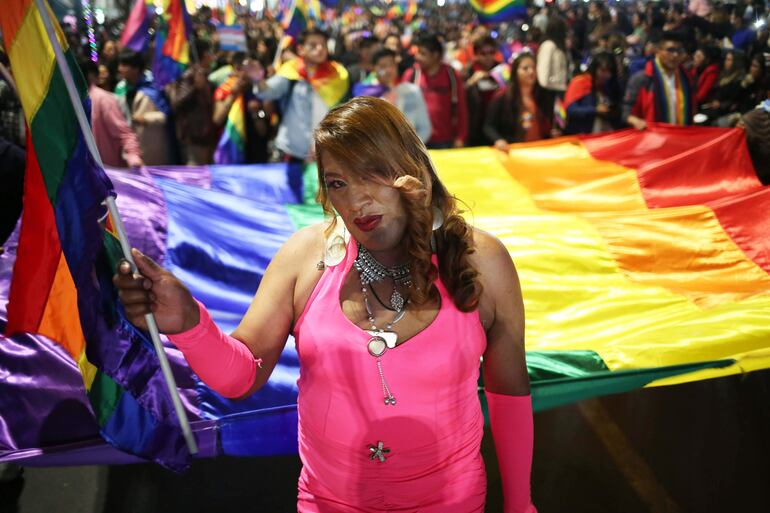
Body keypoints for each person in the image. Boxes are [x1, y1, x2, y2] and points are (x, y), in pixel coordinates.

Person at [114, 97, 536, 513]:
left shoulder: (483, 262)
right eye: (337, 183)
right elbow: (241, 375)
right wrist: (189, 322)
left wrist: (520, 504)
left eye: (371, 173)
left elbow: (508, 391)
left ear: (411, 168)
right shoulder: (305, 257)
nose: (355, 201)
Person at [253, 28, 349, 163]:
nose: (320, 49)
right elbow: (268, 92)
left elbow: (342, 113)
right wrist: (258, 79)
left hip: (325, 152)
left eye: (323, 45)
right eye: (313, 45)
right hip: (291, 151)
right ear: (301, 49)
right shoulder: (291, 70)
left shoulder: (338, 74)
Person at [402, 33, 469, 149]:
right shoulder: (411, 75)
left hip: (446, 141)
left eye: (422, 54)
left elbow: (461, 108)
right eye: (417, 52)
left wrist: (461, 137)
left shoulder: (451, 75)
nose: (417, 57)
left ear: (436, 55)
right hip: (417, 142)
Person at [352, 48, 432, 143]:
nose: (388, 70)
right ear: (374, 68)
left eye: (392, 64)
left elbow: (425, 127)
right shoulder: (365, 95)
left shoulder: (412, 91)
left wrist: (411, 149)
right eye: (383, 66)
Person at [78, 59, 144, 168]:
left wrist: (133, 157)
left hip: (108, 174)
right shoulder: (70, 102)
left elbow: (124, 134)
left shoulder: (102, 99)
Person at [623, 31, 694, 130]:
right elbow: (626, 111)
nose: (675, 55)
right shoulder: (642, 79)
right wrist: (635, 121)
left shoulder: (687, 78)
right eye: (670, 50)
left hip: (681, 139)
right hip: (652, 139)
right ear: (657, 51)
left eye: (679, 50)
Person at [115, 49, 175, 165]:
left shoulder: (153, 86)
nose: (119, 69)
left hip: (152, 143)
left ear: (136, 68)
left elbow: (166, 114)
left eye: (124, 65)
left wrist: (146, 118)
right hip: (130, 145)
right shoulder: (120, 88)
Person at [484, 52, 554, 151]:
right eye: (525, 68)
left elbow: (548, 124)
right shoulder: (502, 97)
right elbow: (488, 126)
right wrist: (498, 140)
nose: (531, 72)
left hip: (540, 151)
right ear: (515, 72)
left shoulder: (544, 95)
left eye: (534, 68)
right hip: (515, 151)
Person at [167, 40, 217, 165]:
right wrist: (194, 88)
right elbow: (177, 103)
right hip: (194, 136)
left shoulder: (202, 74)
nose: (213, 56)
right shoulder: (190, 76)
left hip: (204, 136)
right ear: (205, 55)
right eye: (210, 53)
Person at [563, 51, 622, 134]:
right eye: (602, 70)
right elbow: (570, 110)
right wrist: (595, 110)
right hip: (582, 136)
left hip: (604, 136)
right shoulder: (580, 82)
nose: (606, 75)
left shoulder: (609, 87)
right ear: (595, 68)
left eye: (609, 71)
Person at [463, 35, 505, 147]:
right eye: (483, 53)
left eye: (491, 52)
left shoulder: (502, 71)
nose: (488, 57)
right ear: (476, 55)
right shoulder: (468, 72)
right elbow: (459, 98)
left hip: (499, 130)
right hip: (476, 130)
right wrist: (471, 83)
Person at [536, 16, 570, 96]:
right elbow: (543, 77)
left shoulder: (558, 47)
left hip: (558, 91)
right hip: (550, 93)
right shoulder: (548, 46)